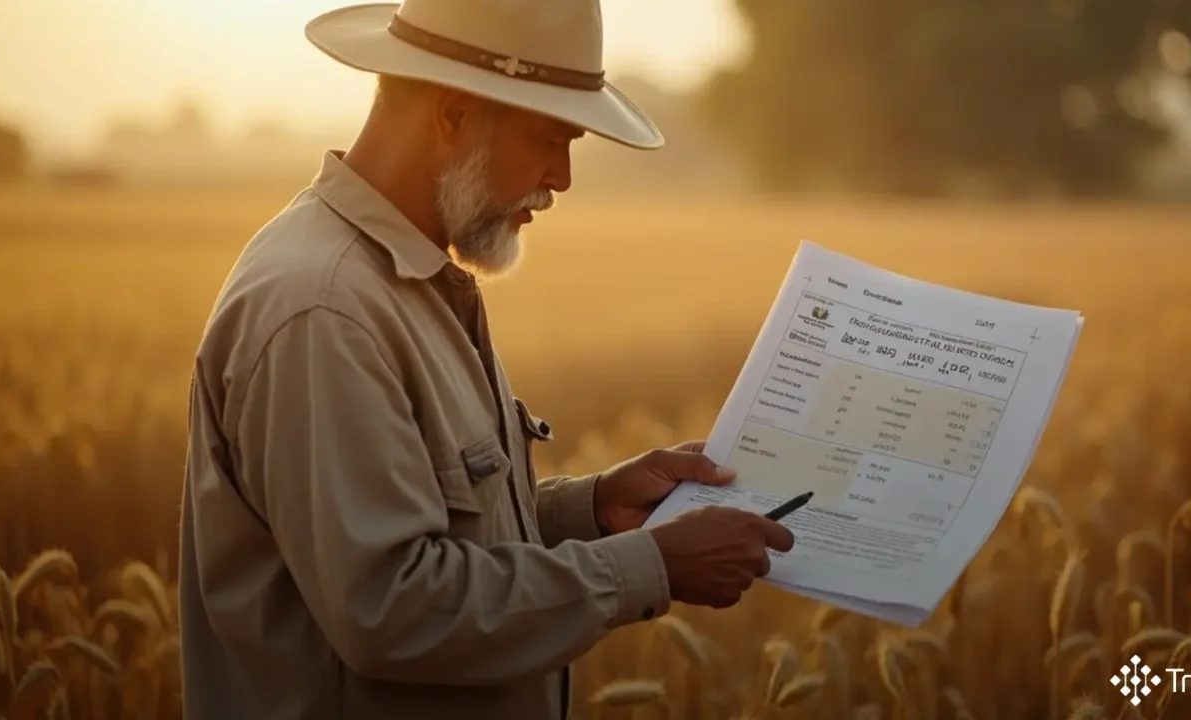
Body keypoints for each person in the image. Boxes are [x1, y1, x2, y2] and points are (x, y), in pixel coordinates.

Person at [175, 1, 797, 719]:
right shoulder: (325, 311)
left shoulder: (400, 283)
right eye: (550, 138)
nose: (561, 178)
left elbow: (420, 526)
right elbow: (391, 607)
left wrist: (591, 509)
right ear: (454, 114)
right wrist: (651, 566)